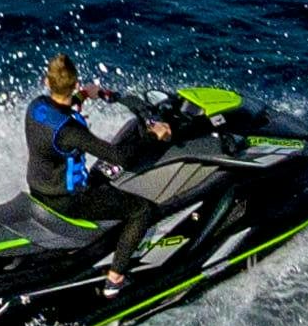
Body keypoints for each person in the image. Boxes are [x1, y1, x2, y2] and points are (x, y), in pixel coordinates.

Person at [21, 60, 190, 265]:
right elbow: (120, 157)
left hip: (39, 191)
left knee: (101, 175)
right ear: (75, 83)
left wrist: (85, 95)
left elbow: (59, 108)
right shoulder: (71, 131)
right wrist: (153, 136)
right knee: (141, 210)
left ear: (47, 81)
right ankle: (116, 277)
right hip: (66, 201)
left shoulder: (36, 106)